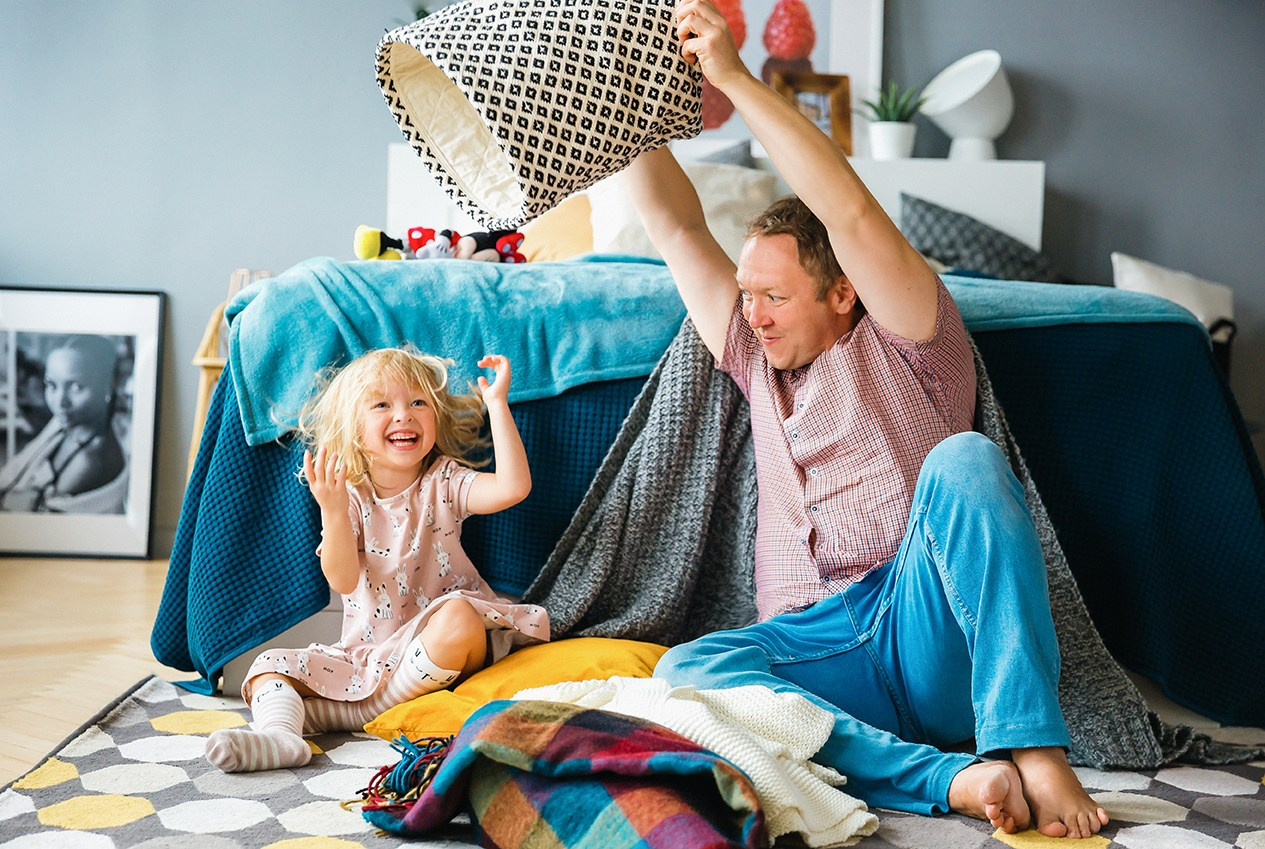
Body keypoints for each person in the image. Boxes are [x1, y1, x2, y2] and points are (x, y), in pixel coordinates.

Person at [635, 1, 1110, 839]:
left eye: (774, 295)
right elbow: (675, 225)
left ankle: (1031, 744)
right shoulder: (752, 353)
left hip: (918, 624)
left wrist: (735, 79)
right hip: (817, 653)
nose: (755, 315)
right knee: (687, 669)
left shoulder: (911, 340)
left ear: (842, 290)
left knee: (964, 458)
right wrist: (626, 101)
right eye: (748, 295)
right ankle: (951, 778)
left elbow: (850, 212)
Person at [204, 347, 549, 773]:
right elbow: (344, 580)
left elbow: (513, 487)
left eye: (418, 402)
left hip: (440, 644)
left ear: (435, 418)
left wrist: (497, 404)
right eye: (382, 405)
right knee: (267, 668)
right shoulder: (348, 496)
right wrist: (331, 510)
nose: (403, 414)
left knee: (459, 615)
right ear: (353, 429)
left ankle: (358, 713)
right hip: (368, 655)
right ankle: (282, 736)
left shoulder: (444, 480)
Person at [0, 335, 126, 513]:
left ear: (107, 386)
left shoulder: (89, 461)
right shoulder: (70, 421)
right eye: (52, 385)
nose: (60, 402)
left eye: (76, 387)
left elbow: (31, 520)